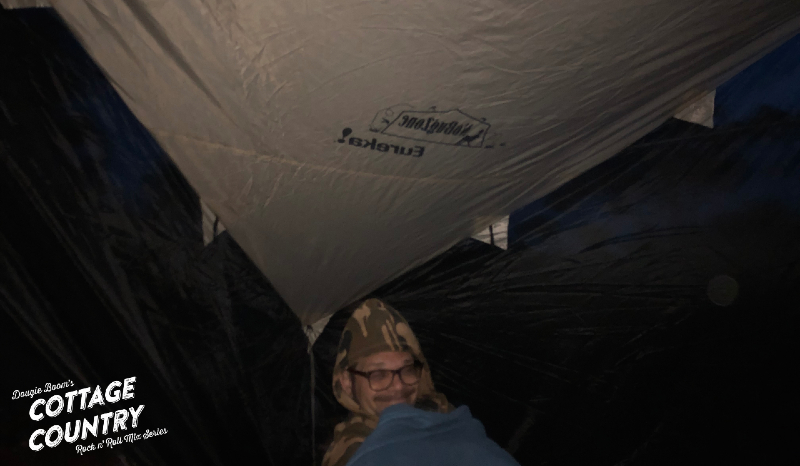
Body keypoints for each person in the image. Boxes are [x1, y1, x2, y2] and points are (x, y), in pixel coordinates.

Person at [321, 298, 452, 466]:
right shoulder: (354, 453)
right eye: (378, 374)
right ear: (347, 382)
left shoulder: (441, 411)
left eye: (407, 369)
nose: (398, 386)